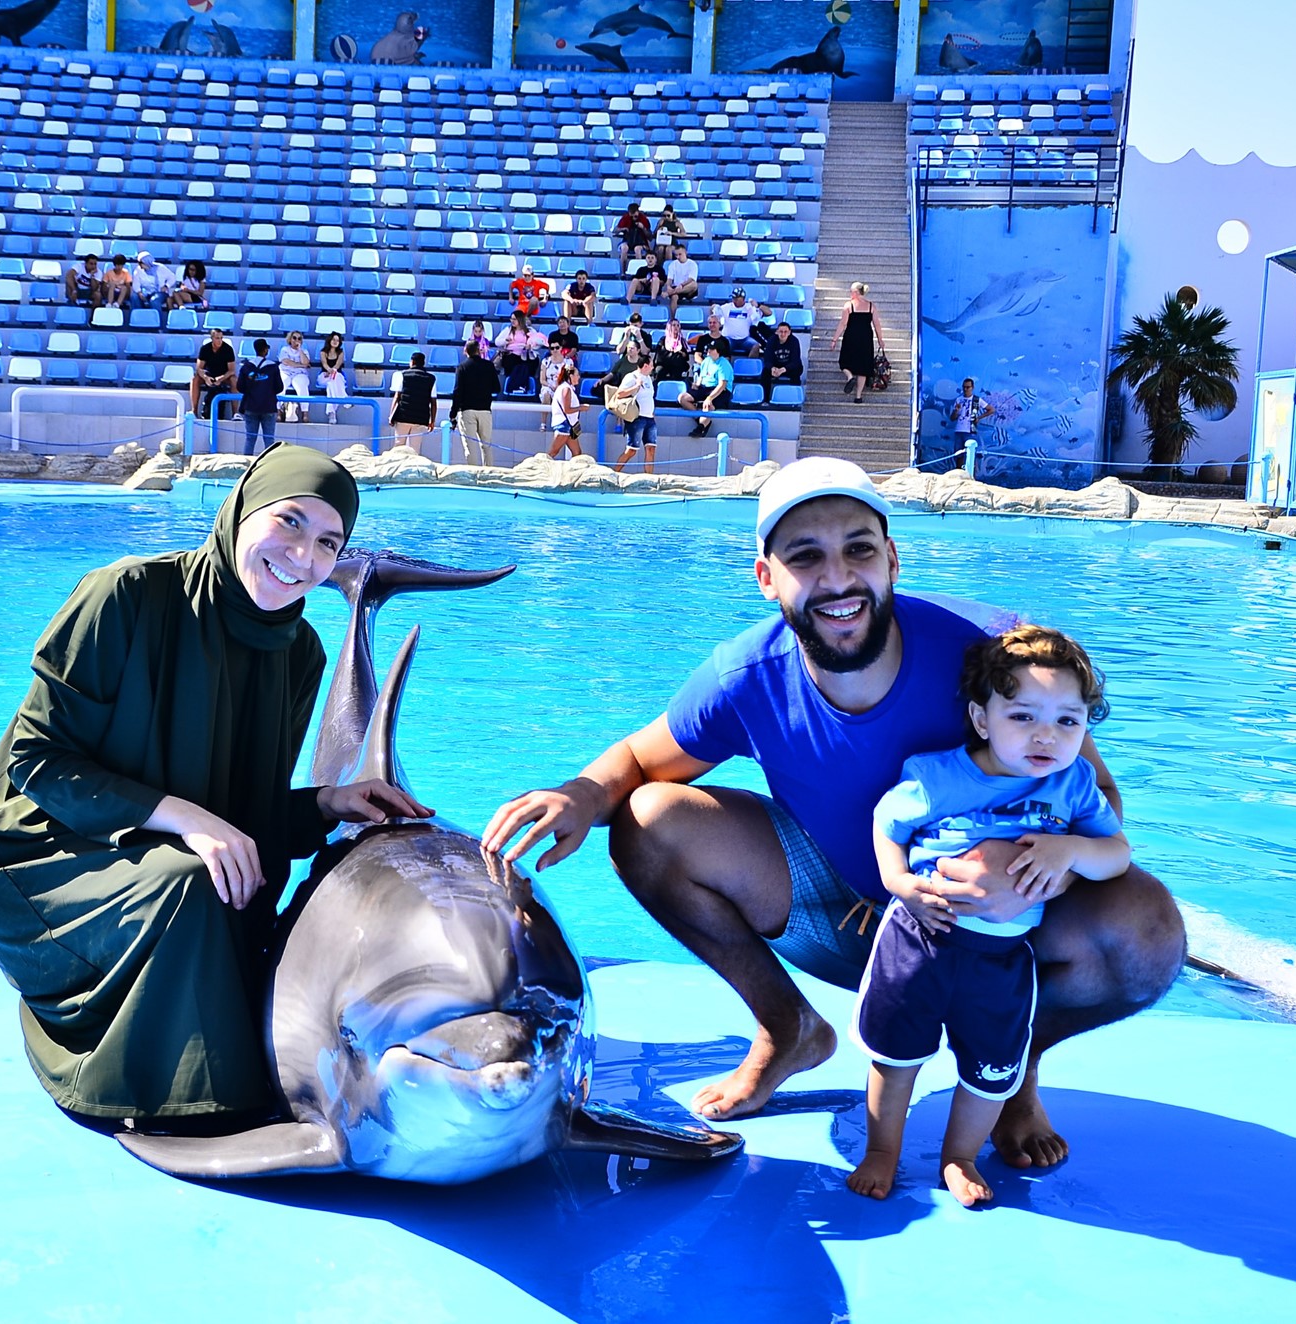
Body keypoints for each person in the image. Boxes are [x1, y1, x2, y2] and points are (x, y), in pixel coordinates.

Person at [481, 458, 1185, 1165]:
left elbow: (1101, 798)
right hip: (848, 918)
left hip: (1001, 926)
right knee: (647, 819)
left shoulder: (993, 655)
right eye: (805, 556)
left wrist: (1036, 871)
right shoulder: (746, 676)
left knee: (1147, 931)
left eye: (858, 549)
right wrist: (581, 794)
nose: (838, 578)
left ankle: (1013, 1073)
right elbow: (638, 760)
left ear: (892, 560)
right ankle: (787, 1026)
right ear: (767, 578)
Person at [0, 447, 429, 1134]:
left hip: (165, 843)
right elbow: (36, 761)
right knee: (192, 884)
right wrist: (184, 817)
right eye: (289, 521)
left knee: (242, 885)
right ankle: (166, 1097)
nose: (303, 557)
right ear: (240, 511)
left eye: (329, 543)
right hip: (37, 845)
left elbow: (242, 812)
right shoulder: (125, 594)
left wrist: (324, 803)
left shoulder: (299, 653)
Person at [850, 625, 1130, 1208]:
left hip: (1002, 957)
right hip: (919, 939)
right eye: (1022, 716)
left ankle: (960, 1156)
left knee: (991, 1069)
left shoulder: (1074, 786)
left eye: (1068, 721)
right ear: (982, 719)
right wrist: (898, 882)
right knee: (895, 1057)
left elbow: (1117, 853)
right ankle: (882, 1149)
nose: (1046, 736)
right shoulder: (938, 777)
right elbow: (887, 824)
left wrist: (1071, 850)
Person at [833, 282, 886, 402]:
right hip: (866, 338)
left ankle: (850, 376)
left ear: (856, 292)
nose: (850, 293)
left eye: (851, 291)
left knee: (844, 362)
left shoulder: (849, 305)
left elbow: (843, 323)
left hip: (851, 337)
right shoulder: (871, 306)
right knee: (863, 367)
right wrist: (880, 339)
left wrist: (834, 339)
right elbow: (877, 324)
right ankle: (858, 396)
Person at [450, 337, 499, 466]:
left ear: (466, 351)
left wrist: (452, 414)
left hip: (467, 410)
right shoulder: (489, 366)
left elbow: (457, 391)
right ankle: (488, 472)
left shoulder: (462, 367)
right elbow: (497, 388)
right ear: (479, 351)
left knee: (470, 447)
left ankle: (473, 473)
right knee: (486, 445)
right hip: (485, 410)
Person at [608, 353, 657, 475]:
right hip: (637, 418)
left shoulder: (648, 379)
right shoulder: (631, 377)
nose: (653, 367)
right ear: (645, 366)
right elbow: (619, 394)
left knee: (651, 448)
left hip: (649, 418)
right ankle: (614, 473)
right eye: (651, 365)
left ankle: (649, 477)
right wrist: (636, 386)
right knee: (631, 450)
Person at [235, 338, 281, 452]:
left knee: (250, 439)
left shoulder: (246, 366)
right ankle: (269, 462)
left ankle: (246, 461)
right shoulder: (273, 367)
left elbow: (240, 387)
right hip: (269, 407)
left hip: (250, 406)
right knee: (269, 439)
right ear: (265, 350)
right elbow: (279, 387)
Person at [679, 343, 733, 439]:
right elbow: (701, 377)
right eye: (708, 348)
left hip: (720, 391)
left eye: (711, 349)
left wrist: (709, 398)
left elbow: (722, 385)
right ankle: (700, 420)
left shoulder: (724, 364)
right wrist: (696, 385)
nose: (708, 351)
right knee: (682, 398)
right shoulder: (706, 361)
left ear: (718, 351)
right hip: (704, 388)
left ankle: (701, 428)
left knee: (708, 404)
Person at [389, 350, 437, 447]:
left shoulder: (403, 375)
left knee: (398, 447)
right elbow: (433, 403)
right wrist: (432, 421)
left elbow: (397, 397)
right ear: (423, 363)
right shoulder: (431, 378)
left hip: (403, 416)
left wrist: (391, 415)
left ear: (412, 362)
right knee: (414, 448)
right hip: (420, 419)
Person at [189, 326, 236, 420]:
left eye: (221, 338)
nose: (220, 341)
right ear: (212, 338)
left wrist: (221, 378)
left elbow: (231, 370)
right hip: (208, 375)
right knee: (194, 380)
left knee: (234, 380)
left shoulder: (228, 349)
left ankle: (235, 413)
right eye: (217, 338)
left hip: (224, 376)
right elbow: (199, 369)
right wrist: (206, 377)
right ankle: (194, 411)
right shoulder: (205, 349)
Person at [495, 312, 545, 397]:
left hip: (526, 355)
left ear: (520, 319)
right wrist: (505, 341)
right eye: (511, 319)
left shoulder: (530, 330)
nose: (512, 321)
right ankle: (519, 387)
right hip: (511, 355)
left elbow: (539, 342)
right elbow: (497, 342)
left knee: (526, 365)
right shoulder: (508, 330)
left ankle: (517, 387)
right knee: (515, 363)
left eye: (514, 319)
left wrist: (531, 346)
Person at [547, 360, 583, 461]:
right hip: (565, 424)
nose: (579, 377)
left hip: (569, 425)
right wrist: (581, 408)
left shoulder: (566, 388)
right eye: (577, 375)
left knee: (577, 453)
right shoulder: (566, 389)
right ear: (571, 376)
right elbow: (567, 409)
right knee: (553, 452)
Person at [714, 288, 765, 360]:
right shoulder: (726, 307)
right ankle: (726, 365)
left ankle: (749, 364)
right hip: (729, 338)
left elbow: (766, 314)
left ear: (743, 298)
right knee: (723, 345)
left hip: (745, 339)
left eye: (736, 298)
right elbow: (714, 314)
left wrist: (757, 306)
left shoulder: (749, 307)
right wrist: (713, 308)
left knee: (756, 346)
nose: (734, 300)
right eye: (733, 298)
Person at [949, 377, 993, 460]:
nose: (965, 389)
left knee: (971, 456)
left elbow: (991, 409)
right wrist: (956, 411)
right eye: (964, 387)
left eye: (968, 387)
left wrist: (979, 418)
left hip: (971, 430)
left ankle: (972, 469)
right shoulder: (958, 399)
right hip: (959, 430)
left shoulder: (977, 400)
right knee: (958, 455)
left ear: (972, 388)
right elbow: (952, 418)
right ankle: (958, 468)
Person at [276, 330, 311, 423]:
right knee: (281, 384)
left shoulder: (304, 351)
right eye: (294, 338)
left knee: (302, 386)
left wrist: (300, 351)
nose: (296, 340)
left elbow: (306, 362)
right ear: (290, 339)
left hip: (300, 373)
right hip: (285, 372)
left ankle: (305, 413)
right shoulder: (284, 349)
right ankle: (279, 412)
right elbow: (286, 361)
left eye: (299, 338)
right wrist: (301, 365)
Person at [761, 320, 803, 395]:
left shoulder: (794, 341)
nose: (783, 334)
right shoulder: (771, 341)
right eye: (781, 331)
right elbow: (767, 359)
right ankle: (765, 398)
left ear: (789, 332)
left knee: (796, 371)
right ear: (777, 332)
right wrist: (772, 368)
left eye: (785, 332)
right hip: (776, 367)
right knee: (765, 373)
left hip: (789, 367)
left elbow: (795, 361)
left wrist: (783, 369)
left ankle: (795, 396)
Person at [317, 331, 348, 426]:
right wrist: (329, 370)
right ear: (329, 340)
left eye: (337, 340)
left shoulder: (340, 352)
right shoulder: (323, 352)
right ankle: (345, 399)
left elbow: (338, 364)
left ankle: (332, 413)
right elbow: (324, 363)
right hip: (324, 375)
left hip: (336, 375)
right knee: (333, 380)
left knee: (332, 383)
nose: (335, 342)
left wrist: (333, 371)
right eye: (333, 339)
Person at [663, 245, 700, 317]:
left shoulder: (692, 264)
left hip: (687, 288)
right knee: (674, 297)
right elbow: (669, 278)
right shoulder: (673, 264)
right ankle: (673, 318)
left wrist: (682, 285)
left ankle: (670, 293)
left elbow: (691, 279)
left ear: (685, 253)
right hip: (676, 287)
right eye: (676, 255)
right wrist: (668, 286)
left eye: (680, 254)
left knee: (694, 284)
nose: (678, 257)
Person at [654, 318, 692, 383]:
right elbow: (659, 355)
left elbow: (686, 357)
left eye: (678, 325)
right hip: (664, 364)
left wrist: (679, 352)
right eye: (673, 325)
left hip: (677, 365)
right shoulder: (663, 340)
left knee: (678, 370)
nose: (676, 327)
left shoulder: (682, 341)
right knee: (659, 371)